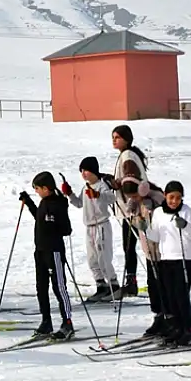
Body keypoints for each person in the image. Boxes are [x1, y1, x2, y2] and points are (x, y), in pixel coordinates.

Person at [19, 172, 75, 339]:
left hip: (54, 251)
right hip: (40, 250)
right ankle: (46, 321)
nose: (36, 191)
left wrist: (53, 223)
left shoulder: (58, 203)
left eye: (37, 188)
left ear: (45, 188)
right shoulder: (44, 202)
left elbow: (66, 229)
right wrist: (29, 203)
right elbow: (39, 217)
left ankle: (67, 322)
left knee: (59, 287)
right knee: (41, 287)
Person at [145, 180, 191, 347]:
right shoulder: (158, 213)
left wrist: (185, 226)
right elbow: (155, 236)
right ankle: (176, 328)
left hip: (183, 258)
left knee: (181, 296)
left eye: (178, 198)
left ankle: (188, 330)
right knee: (169, 297)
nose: (174, 201)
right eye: (171, 197)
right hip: (166, 258)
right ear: (165, 196)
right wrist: (145, 228)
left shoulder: (186, 211)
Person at [63, 157, 120, 300]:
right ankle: (101, 286)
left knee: (103, 257)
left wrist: (98, 195)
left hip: (101, 225)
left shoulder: (101, 186)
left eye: (86, 170)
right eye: (81, 171)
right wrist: (69, 194)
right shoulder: (85, 188)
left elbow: (111, 198)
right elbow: (79, 203)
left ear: (94, 171)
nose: (83, 174)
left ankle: (114, 285)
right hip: (89, 227)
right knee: (92, 259)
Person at [120, 178, 166, 337]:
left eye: (134, 195)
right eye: (130, 197)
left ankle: (169, 317)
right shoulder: (136, 202)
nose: (133, 199)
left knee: (162, 284)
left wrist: (151, 211)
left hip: (163, 251)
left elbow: (163, 222)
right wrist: (133, 215)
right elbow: (137, 225)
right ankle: (158, 316)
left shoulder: (156, 198)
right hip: (149, 250)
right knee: (152, 284)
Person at [108, 125, 149, 297]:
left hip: (134, 209)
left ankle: (134, 282)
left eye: (117, 137)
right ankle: (134, 281)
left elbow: (131, 181)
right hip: (133, 209)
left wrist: (116, 184)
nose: (114, 140)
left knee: (135, 246)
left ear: (126, 139)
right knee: (132, 245)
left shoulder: (127, 156)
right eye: (113, 137)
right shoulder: (127, 155)